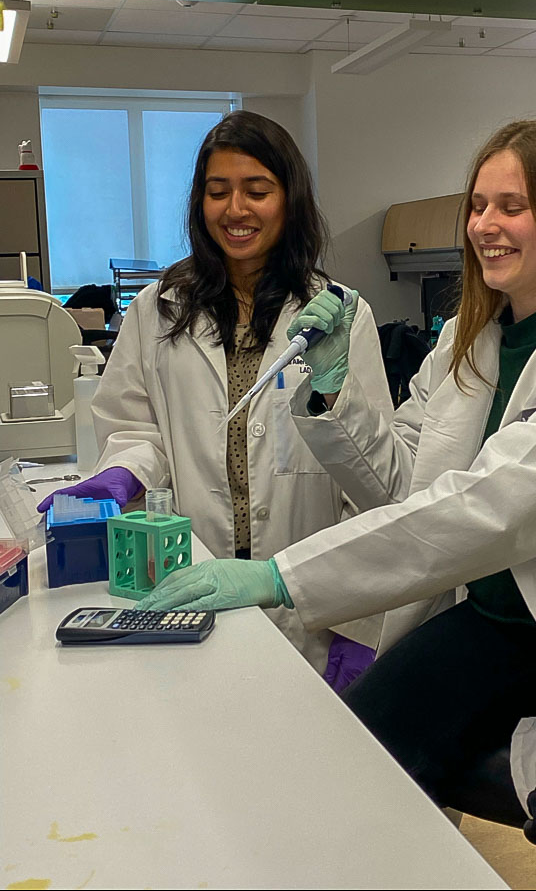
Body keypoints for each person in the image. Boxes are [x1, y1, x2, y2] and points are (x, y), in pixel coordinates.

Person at [141, 118, 536, 889]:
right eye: (478, 204)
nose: (485, 225)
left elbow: (498, 506)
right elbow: (405, 488)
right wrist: (331, 390)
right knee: (362, 751)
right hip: (500, 618)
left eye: (512, 206)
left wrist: (283, 576)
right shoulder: (470, 335)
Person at [38, 110, 392, 684]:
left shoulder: (340, 315)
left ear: (290, 199)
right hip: (188, 582)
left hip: (305, 599)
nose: (235, 210)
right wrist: (122, 474)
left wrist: (358, 622)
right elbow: (135, 429)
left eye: (257, 190)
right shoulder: (158, 309)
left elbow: (369, 477)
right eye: (217, 191)